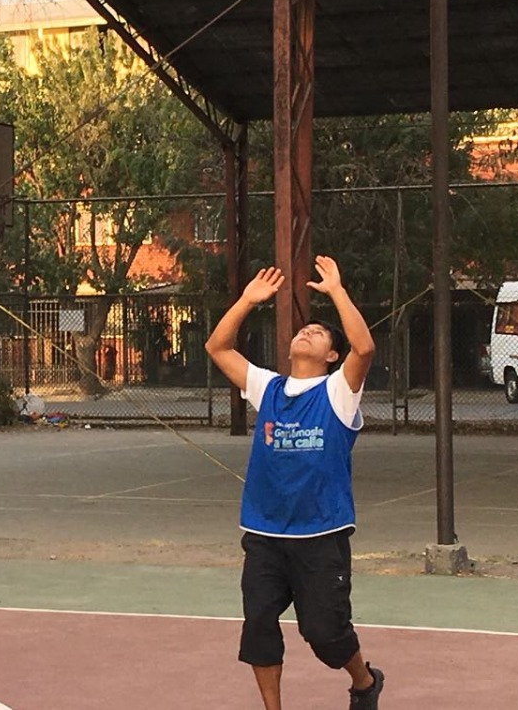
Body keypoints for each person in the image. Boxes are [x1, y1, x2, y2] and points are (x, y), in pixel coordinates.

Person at [205, 256, 384, 710]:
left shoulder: (339, 392)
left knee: (324, 634)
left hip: (321, 533)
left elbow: (364, 349)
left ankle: (364, 682)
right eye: (304, 330)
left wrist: (337, 292)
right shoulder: (267, 388)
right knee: (259, 626)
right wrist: (247, 300)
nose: (307, 332)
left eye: (319, 333)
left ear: (331, 356)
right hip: (265, 532)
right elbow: (218, 348)